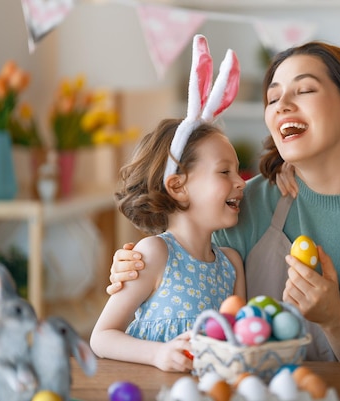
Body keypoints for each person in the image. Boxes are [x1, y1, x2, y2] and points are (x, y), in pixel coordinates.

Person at [106, 40, 340, 362]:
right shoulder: (243, 204)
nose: (282, 105)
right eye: (272, 98)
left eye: (305, 89)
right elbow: (181, 271)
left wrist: (333, 317)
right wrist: (137, 263)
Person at [89, 35, 246, 372]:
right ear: (178, 186)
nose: (240, 182)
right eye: (224, 171)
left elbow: (239, 340)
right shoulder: (155, 253)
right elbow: (101, 337)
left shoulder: (232, 264)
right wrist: (157, 355)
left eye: (236, 171)